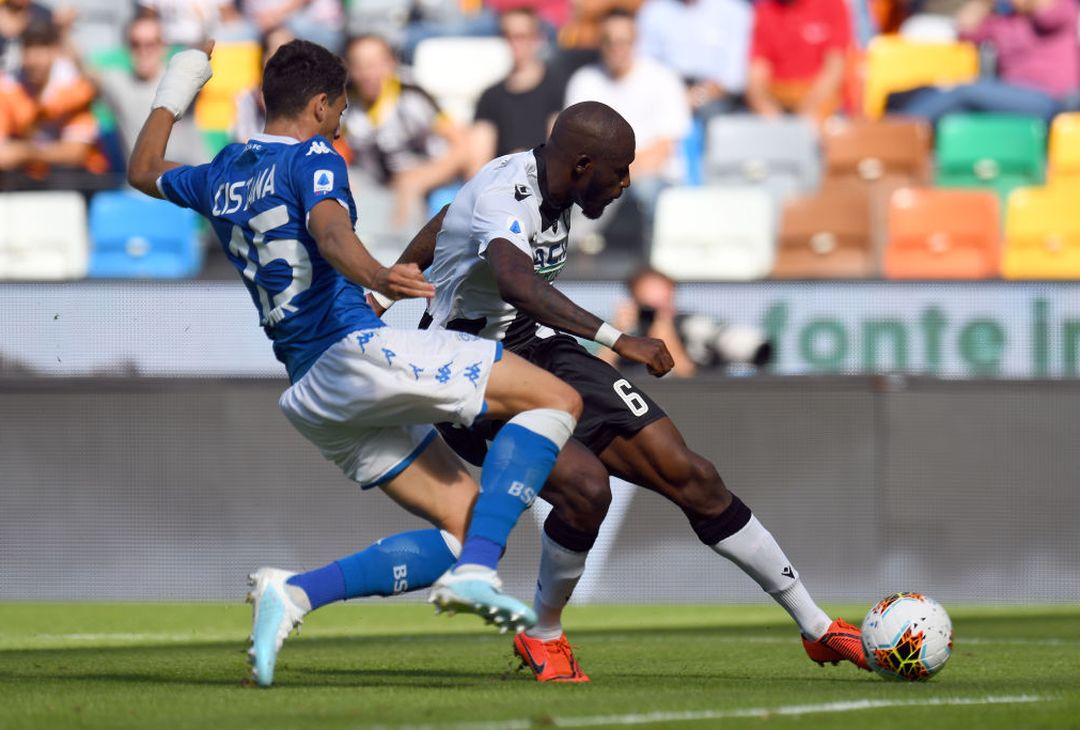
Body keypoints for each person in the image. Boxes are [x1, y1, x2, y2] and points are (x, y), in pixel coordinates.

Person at [126, 38, 598, 688]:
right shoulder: (315, 157)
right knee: (558, 398)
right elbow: (330, 233)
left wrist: (181, 80)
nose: (342, 124)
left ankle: (294, 592)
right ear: (320, 104)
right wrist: (381, 276)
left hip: (311, 389)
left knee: (465, 520)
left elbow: (142, 167)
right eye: (342, 109)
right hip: (353, 353)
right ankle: (478, 573)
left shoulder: (223, 171)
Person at [376, 101, 868, 682]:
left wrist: (387, 286)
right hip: (468, 368)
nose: (626, 182)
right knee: (587, 489)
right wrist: (618, 338)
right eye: (620, 170)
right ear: (583, 165)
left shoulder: (548, 181)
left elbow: (448, 219)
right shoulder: (507, 193)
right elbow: (516, 282)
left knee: (692, 474)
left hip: (534, 345)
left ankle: (816, 627)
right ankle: (544, 634)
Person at [564, 9, 691, 243]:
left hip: (652, 178)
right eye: (609, 40)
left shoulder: (663, 79)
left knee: (645, 190)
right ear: (600, 42)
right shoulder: (584, 81)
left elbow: (663, 151)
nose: (616, 47)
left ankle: (652, 257)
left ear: (636, 41)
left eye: (623, 40)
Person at [341, 33, 468, 231]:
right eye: (359, 65)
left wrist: (420, 178)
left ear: (392, 63)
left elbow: (462, 145)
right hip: (377, 189)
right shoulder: (345, 105)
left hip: (424, 187)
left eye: (374, 64)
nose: (368, 74)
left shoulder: (412, 96)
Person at [887, 0, 1079, 124]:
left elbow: (1049, 11)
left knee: (965, 91)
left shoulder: (1060, 11)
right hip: (1009, 96)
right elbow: (964, 29)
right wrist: (985, 3)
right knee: (953, 104)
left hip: (1050, 100)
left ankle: (900, 129)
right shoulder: (1003, 22)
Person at [598, 265, 773, 377]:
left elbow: (686, 379)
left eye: (665, 303)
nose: (658, 313)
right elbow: (599, 374)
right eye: (650, 308)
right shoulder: (627, 337)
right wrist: (615, 335)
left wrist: (666, 337)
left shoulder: (693, 328)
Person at [91, 14, 208, 166]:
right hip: (144, 179)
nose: (143, 50)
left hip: (189, 175)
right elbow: (85, 72)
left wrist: (199, 23)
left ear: (164, 46)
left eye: (151, 44)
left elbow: (202, 51)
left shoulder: (179, 76)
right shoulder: (118, 83)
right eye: (136, 44)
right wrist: (63, 33)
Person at [0, 18, 105, 185]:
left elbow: (75, 153)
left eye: (41, 51)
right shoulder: (8, 87)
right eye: (28, 50)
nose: (34, 60)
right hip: (27, 176)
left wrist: (24, 152)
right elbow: (3, 153)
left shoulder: (76, 88)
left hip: (79, 177)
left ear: (55, 51)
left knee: (65, 178)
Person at [468, 7, 565, 177]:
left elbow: (558, 154)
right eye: (508, 36)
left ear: (537, 38)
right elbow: (477, 167)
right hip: (500, 182)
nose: (514, 43)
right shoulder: (490, 96)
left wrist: (525, 163)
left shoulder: (557, 88)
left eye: (521, 36)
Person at [635, 0, 754, 119]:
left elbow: (734, 78)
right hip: (668, 92)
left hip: (717, 99)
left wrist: (697, 96)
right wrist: (676, 97)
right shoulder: (654, 11)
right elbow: (645, 66)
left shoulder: (734, 10)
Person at [746, 0, 852, 123]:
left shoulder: (832, 5)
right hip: (779, 98)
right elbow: (756, 72)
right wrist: (765, 107)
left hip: (820, 99)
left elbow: (835, 67)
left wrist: (808, 108)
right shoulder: (765, 11)